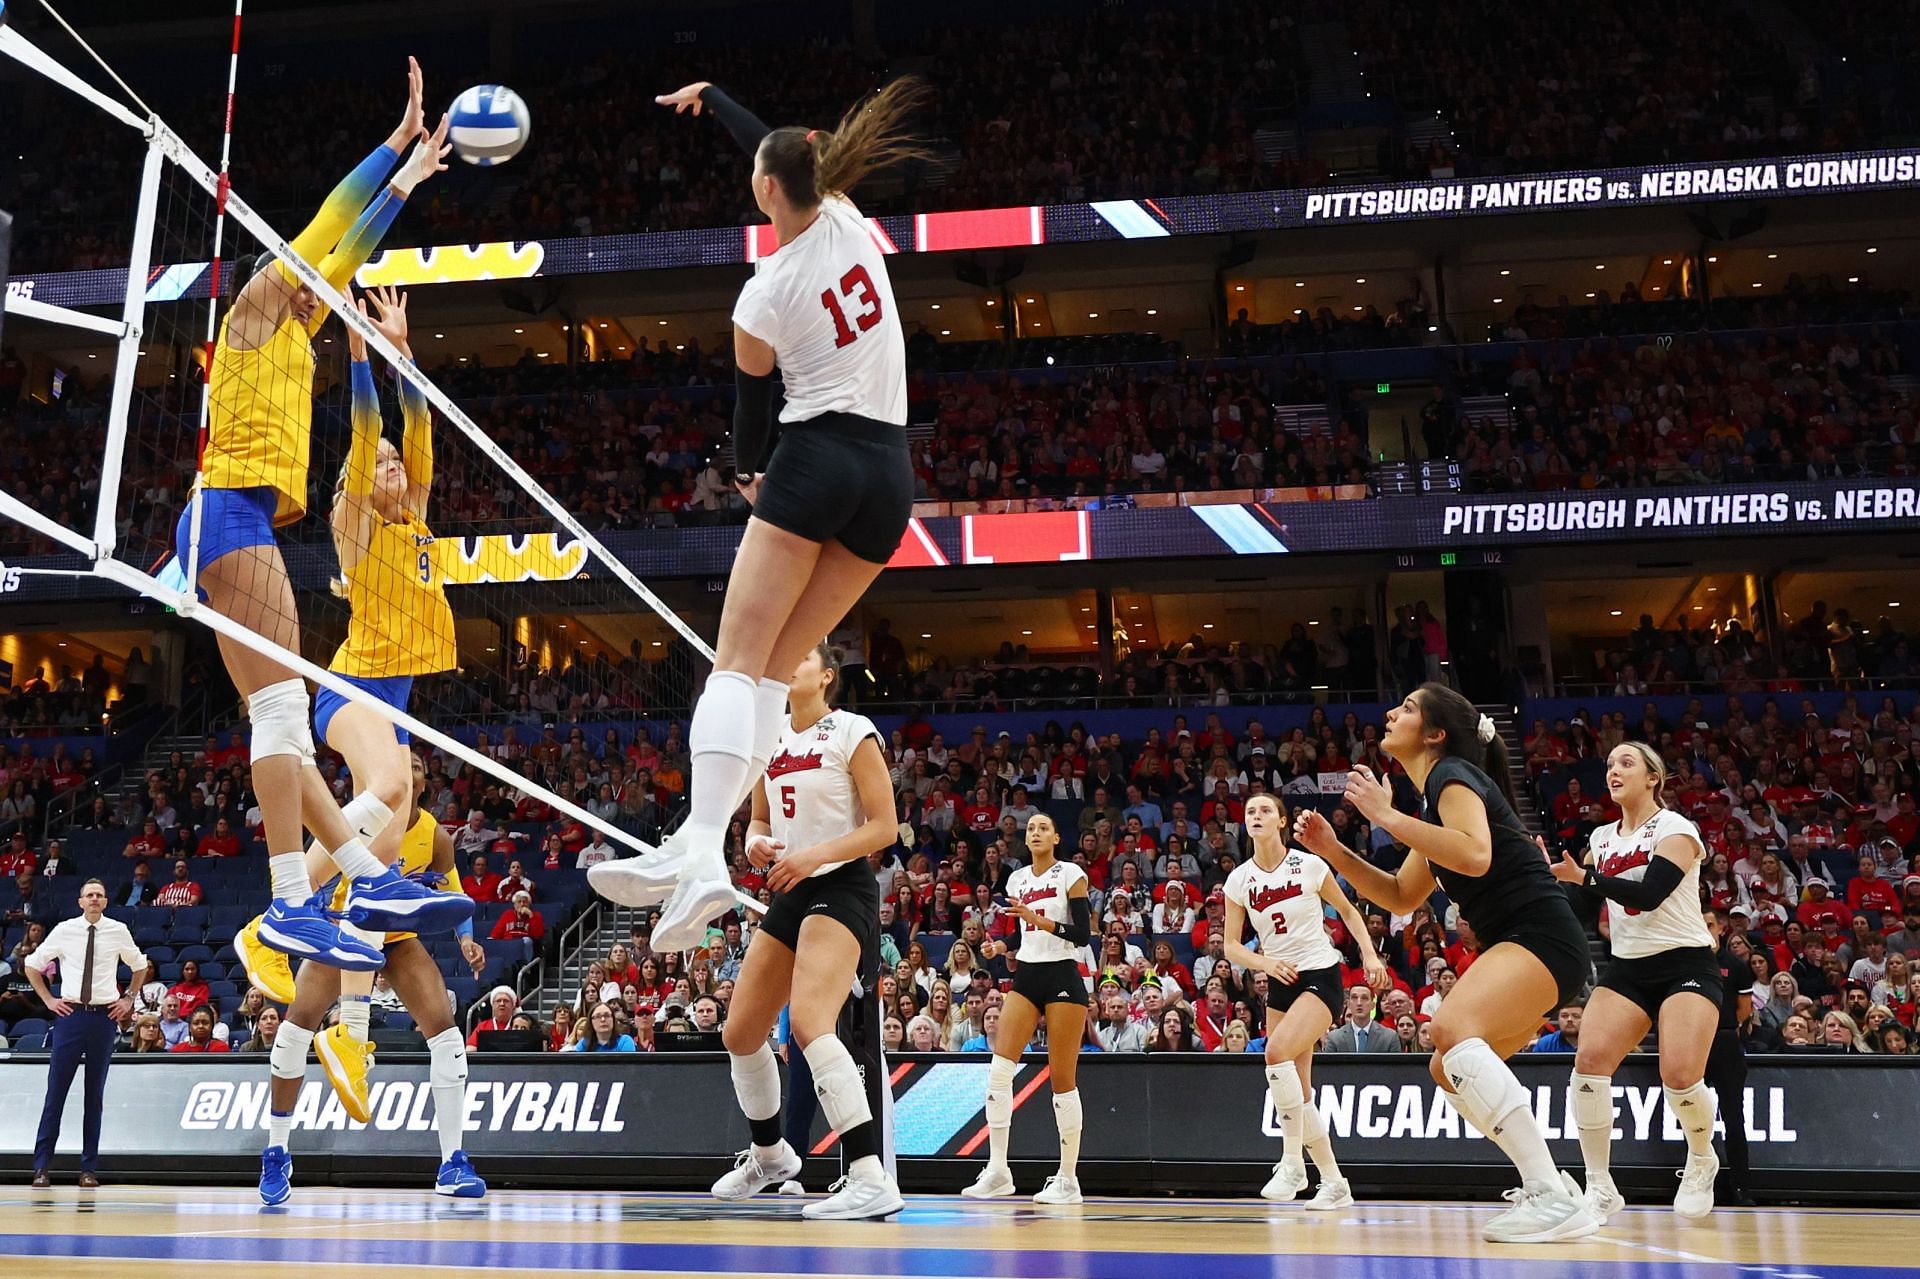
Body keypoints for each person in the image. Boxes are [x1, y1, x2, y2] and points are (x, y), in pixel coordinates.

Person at [589, 75, 930, 959]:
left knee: (734, 661)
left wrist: (747, 473)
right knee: (774, 673)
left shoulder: (764, 290)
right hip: (890, 475)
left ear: (764, 189)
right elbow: (790, 148)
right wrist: (725, 101)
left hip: (815, 458)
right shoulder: (851, 216)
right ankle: (691, 846)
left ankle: (702, 850)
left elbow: (751, 402)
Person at [179, 59, 453, 974]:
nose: (315, 283)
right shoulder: (256, 312)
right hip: (226, 518)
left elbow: (348, 252)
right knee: (286, 709)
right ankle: (323, 889)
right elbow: (331, 226)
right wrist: (393, 141)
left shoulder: (299, 327)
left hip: (225, 523)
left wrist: (409, 183)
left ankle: (330, 889)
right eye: (301, 274)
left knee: (277, 718)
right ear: (272, 274)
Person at [235, 284, 475, 1053]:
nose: (395, 467)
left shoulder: (419, 519)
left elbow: (420, 426)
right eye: (381, 464)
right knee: (395, 789)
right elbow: (373, 424)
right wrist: (365, 351)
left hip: (393, 702)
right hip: (351, 688)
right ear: (359, 481)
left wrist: (408, 352)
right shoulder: (357, 522)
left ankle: (348, 1021)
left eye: (399, 465)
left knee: (385, 843)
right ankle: (274, 922)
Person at [1295, 683, 1598, 1244]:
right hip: (1531, 942)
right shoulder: (1436, 803)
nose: (1391, 713)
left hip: (1541, 935)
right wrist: (1334, 852)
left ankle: (1552, 1192)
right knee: (1445, 1066)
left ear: (1435, 734)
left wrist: (1385, 815)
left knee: (1451, 1028)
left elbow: (1476, 855)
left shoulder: (1451, 775)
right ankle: (1548, 1188)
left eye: (1407, 708)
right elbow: (1400, 896)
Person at [704, 644, 903, 1219]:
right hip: (790, 888)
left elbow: (885, 827)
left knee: (812, 1023)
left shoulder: (853, 731)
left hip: (841, 885)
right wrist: (753, 842)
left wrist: (813, 854)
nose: (791, 661)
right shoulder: (769, 738)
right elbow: (760, 820)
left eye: (804, 655)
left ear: (827, 676)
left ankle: (869, 1175)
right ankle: (771, 1157)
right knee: (739, 1032)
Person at [257, 752, 487, 1206]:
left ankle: (453, 1161)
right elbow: (315, 875)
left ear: (425, 782)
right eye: (403, 760)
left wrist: (466, 939)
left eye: (418, 764)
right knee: (293, 1029)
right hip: (344, 930)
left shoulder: (436, 836)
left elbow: (453, 891)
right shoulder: (355, 819)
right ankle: (276, 1149)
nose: (409, 766)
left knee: (446, 1034)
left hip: (397, 939)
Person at [1549, 742, 1722, 1223]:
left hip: (1685, 962)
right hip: (1626, 966)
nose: (1613, 771)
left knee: (1681, 1076)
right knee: (1588, 1064)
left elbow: (1648, 894)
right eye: (1608, 765)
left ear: (1654, 778)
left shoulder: (1675, 829)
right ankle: (1600, 1186)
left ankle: (1701, 1159)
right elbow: (1578, 907)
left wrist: (1584, 878)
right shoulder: (1601, 838)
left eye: (1626, 763)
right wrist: (1539, 885)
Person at [1226, 793, 1386, 1207]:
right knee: (1301, 1090)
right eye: (1250, 812)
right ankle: (1334, 1182)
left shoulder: (1309, 865)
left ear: (1281, 821)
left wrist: (1368, 954)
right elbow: (1229, 947)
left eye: (1265, 811)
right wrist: (1264, 962)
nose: (1256, 816)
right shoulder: (1239, 880)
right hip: (1280, 979)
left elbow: (1349, 911)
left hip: (1320, 975)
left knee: (1275, 1053)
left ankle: (1292, 1162)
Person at [962, 814, 1093, 1205]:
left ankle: (1068, 1178)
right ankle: (998, 1170)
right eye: (1030, 828)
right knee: (999, 1071)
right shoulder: (1016, 879)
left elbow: (1083, 934)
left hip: (1063, 977)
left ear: (1055, 836)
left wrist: (1040, 919)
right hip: (1028, 977)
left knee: (1061, 1080)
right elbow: (1023, 935)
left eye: (1042, 828)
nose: (1034, 832)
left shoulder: (1071, 873)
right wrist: (1000, 948)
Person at [24, 879, 144, 1188]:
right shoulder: (65, 929)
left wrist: (128, 998)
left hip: (104, 1018)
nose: (94, 899)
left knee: (95, 1096)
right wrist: (49, 1000)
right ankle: (41, 1167)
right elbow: (31, 965)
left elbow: (140, 966)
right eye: (89, 895)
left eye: (99, 896)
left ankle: (88, 1169)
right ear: (80, 901)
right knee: (56, 1093)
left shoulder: (118, 930)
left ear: (105, 902)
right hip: (71, 1015)